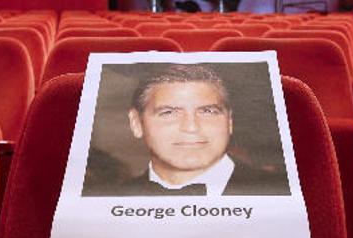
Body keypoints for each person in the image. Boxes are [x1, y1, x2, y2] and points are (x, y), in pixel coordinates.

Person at [85, 64, 289, 197]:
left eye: (208, 111)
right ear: (136, 123)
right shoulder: (112, 200)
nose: (191, 127)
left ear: (229, 122)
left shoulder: (283, 190)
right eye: (168, 113)